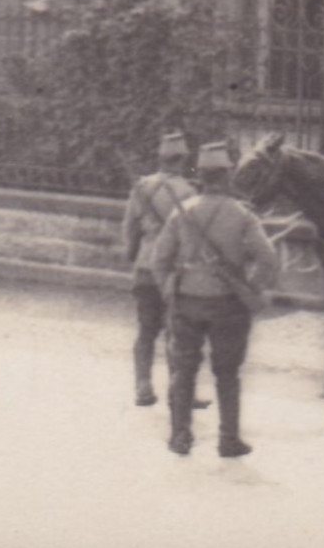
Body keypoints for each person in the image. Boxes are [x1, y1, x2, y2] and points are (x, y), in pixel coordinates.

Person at [150, 141, 280, 458]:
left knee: (184, 371)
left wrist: (171, 290)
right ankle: (228, 439)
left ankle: (180, 437)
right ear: (227, 175)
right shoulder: (242, 215)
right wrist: (249, 287)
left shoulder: (184, 212)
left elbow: (159, 261)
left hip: (186, 303)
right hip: (228, 305)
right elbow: (269, 260)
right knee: (227, 374)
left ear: (202, 176)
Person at [120, 132, 197, 407]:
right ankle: (178, 388)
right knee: (177, 332)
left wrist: (132, 256)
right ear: (183, 159)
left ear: (161, 158)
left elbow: (129, 230)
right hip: (175, 273)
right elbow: (190, 238)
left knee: (146, 330)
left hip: (145, 268)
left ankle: (143, 385)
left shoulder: (142, 188)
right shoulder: (188, 192)